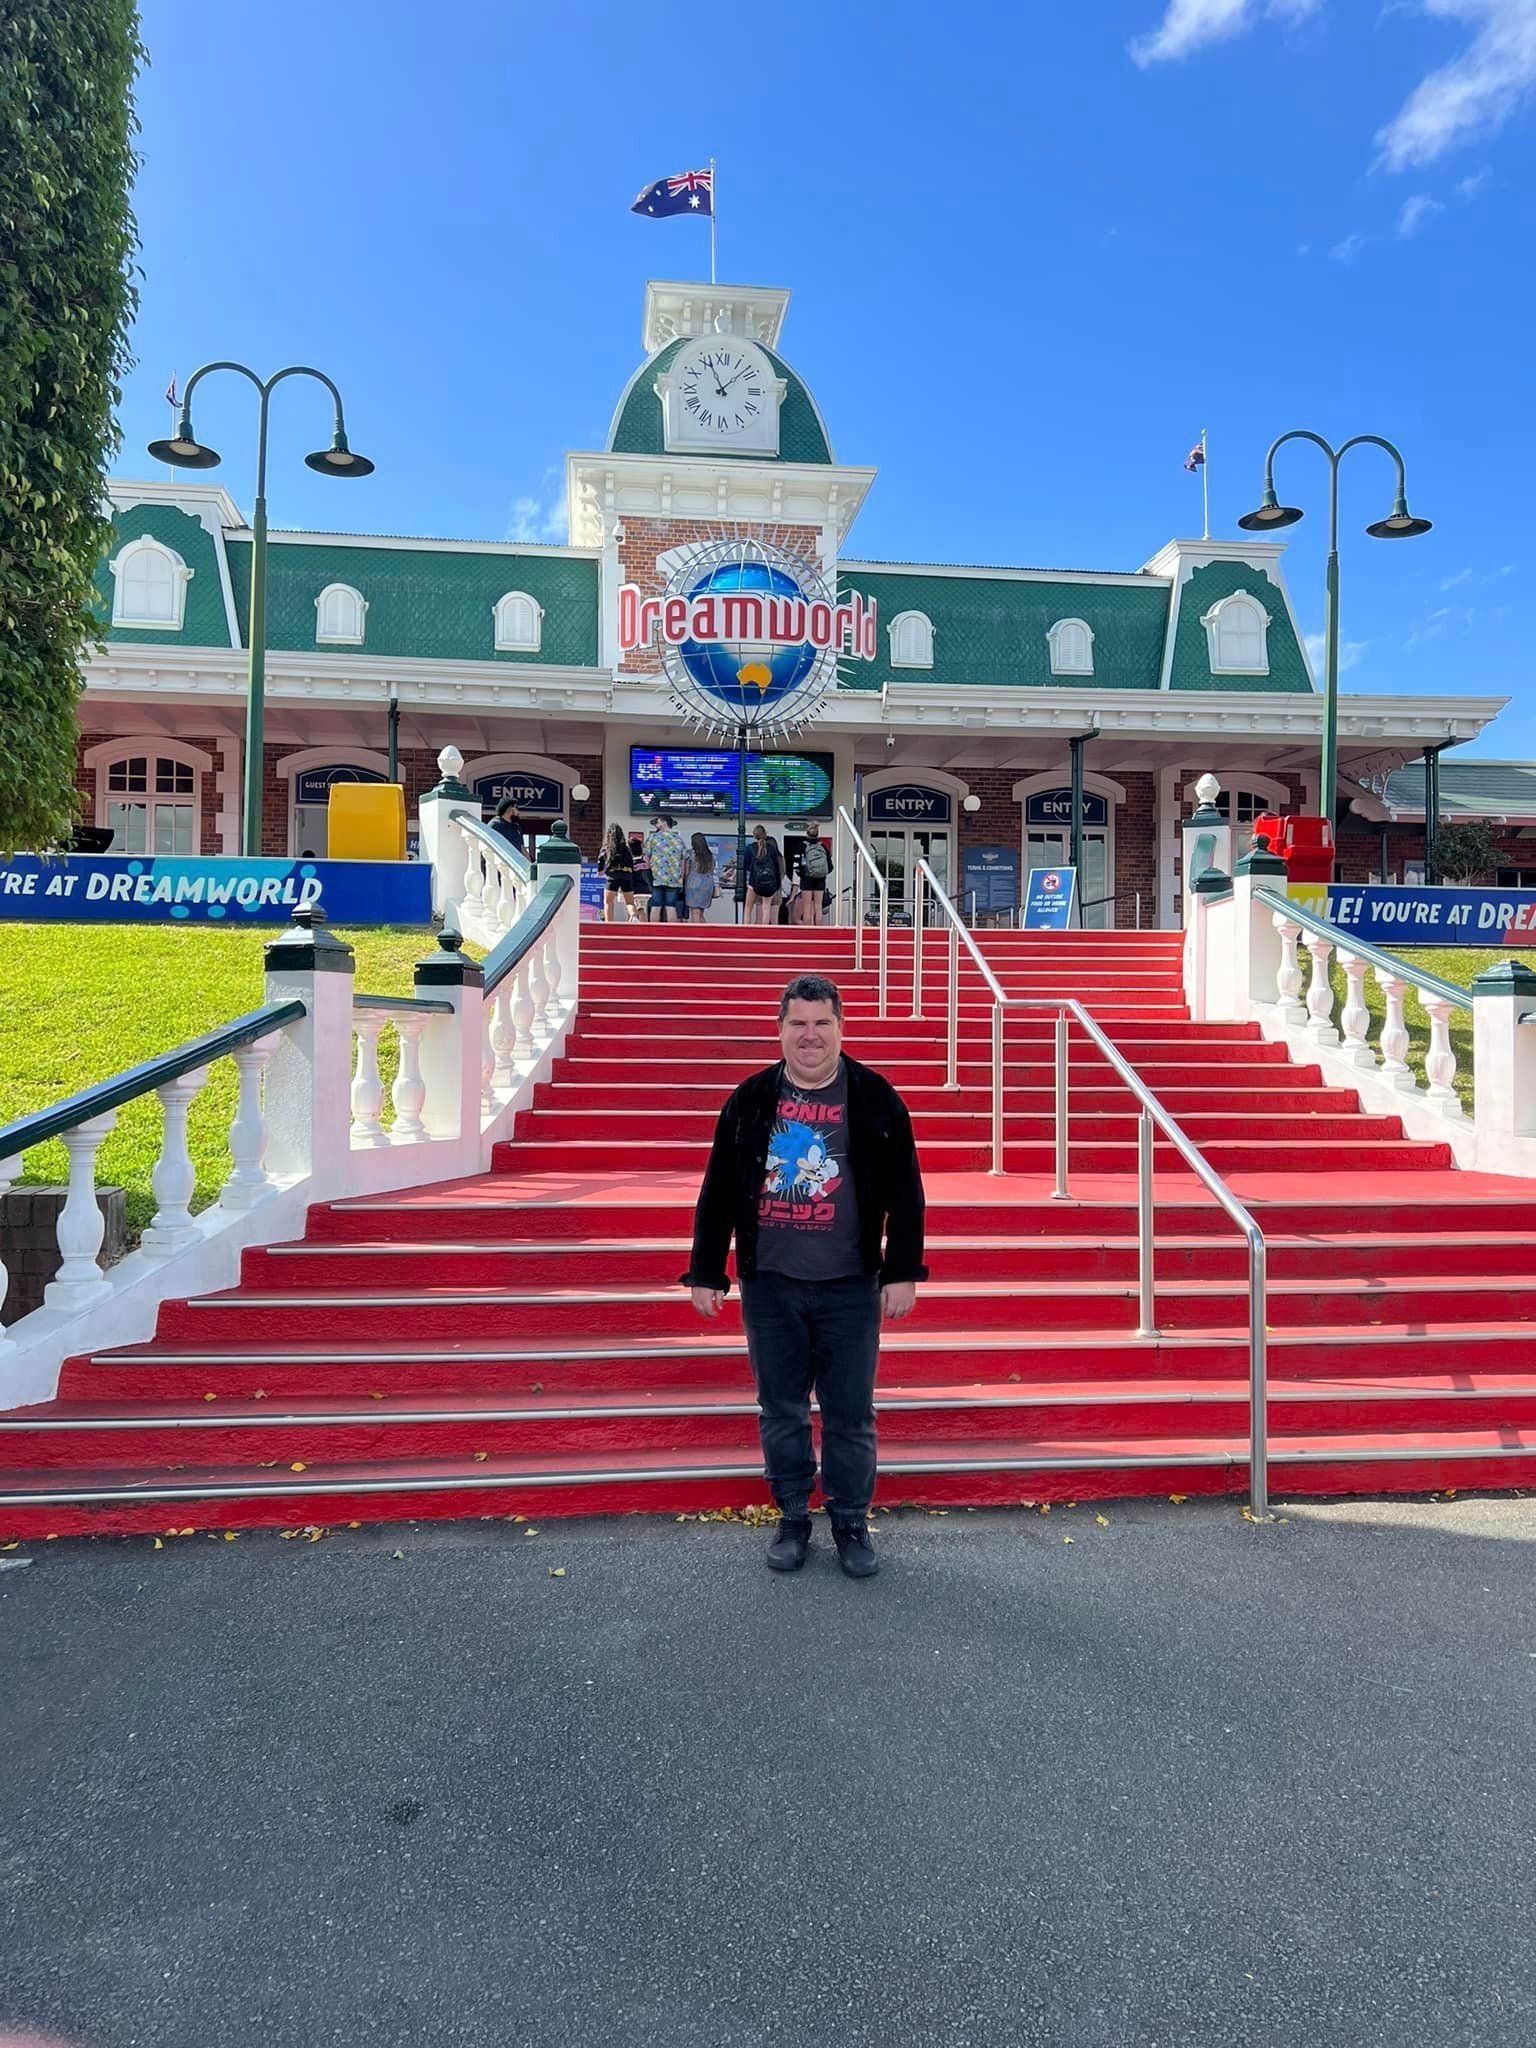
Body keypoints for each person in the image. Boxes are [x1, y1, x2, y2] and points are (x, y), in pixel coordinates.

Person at [683, 973, 926, 1579]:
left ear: (840, 1029)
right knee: (782, 1408)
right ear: (781, 1030)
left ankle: (849, 1521)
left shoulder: (874, 1097)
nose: (810, 1035)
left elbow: (907, 1191)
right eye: (799, 1024)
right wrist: (707, 1270)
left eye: (822, 1023)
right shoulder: (750, 1100)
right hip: (771, 1284)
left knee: (850, 1412)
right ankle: (793, 1515)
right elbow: (717, 1190)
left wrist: (902, 1270)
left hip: (850, 1285)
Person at [644, 813, 686, 924]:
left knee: (656, 905)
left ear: (664, 822)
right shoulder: (678, 839)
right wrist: (681, 877)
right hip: (674, 878)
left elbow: (646, 858)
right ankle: (672, 933)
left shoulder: (652, 838)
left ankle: (653, 933)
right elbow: (683, 860)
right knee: (671, 906)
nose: (656, 824)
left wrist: (650, 870)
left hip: (657, 877)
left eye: (658, 822)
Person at [597, 823, 639, 923]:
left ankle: (609, 923)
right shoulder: (626, 848)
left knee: (608, 902)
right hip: (626, 875)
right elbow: (631, 863)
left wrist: (600, 871)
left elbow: (601, 860)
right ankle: (633, 916)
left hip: (612, 876)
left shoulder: (607, 848)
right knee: (629, 902)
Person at [744, 824, 783, 926]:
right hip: (769, 883)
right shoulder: (772, 849)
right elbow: (776, 868)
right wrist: (777, 885)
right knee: (766, 908)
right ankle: (764, 931)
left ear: (754, 835)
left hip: (753, 881)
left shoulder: (749, 848)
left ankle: (745, 930)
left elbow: (746, 865)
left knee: (748, 908)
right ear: (765, 834)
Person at [796, 823, 832, 927]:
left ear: (807, 833)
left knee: (807, 907)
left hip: (806, 879)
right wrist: (822, 873)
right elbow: (830, 866)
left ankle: (807, 932)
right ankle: (818, 931)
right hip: (820, 879)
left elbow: (796, 864)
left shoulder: (802, 846)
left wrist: (802, 874)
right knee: (818, 906)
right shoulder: (823, 846)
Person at [682, 832, 718, 924]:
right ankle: (705, 933)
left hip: (693, 884)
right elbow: (713, 871)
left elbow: (685, 872)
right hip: (707, 885)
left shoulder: (689, 854)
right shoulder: (711, 855)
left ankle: (697, 935)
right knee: (701, 914)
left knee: (695, 914)